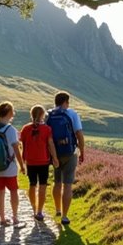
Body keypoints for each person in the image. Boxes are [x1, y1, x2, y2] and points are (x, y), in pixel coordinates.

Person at [48, 91, 85, 226]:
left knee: (57, 182)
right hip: (70, 153)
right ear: (65, 102)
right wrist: (82, 151)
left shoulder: (50, 114)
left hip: (55, 153)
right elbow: (79, 134)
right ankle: (64, 216)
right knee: (67, 184)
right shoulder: (72, 114)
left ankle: (57, 209)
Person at [20, 105, 60, 222]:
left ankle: (33, 209)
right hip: (43, 161)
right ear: (43, 115)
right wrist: (55, 158)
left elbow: (23, 145)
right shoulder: (47, 129)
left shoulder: (25, 128)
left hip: (30, 161)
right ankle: (39, 211)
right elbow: (50, 145)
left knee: (32, 184)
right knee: (42, 185)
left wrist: (23, 161)